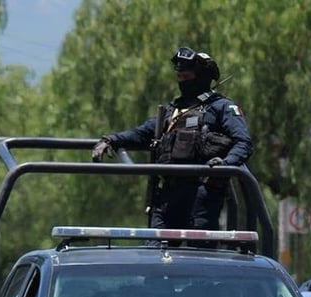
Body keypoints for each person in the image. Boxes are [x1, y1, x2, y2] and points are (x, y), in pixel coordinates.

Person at [92, 46, 253, 232]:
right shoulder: (172, 111)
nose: (182, 82)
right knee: (157, 251)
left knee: (199, 254)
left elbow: (243, 142)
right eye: (180, 78)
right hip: (167, 194)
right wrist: (111, 140)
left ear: (202, 77)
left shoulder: (221, 107)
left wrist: (225, 164)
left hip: (202, 194)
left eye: (187, 77)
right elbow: (141, 133)